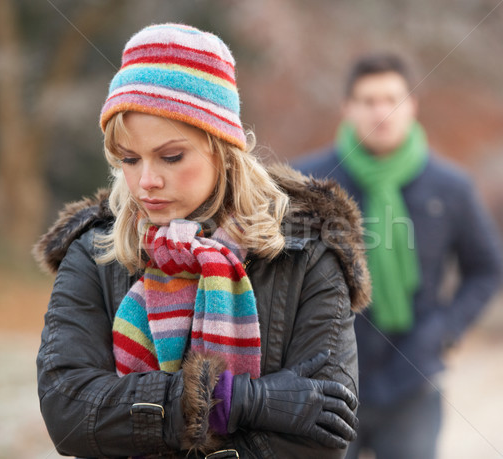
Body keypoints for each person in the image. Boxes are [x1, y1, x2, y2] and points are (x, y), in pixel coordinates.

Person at [34, 24, 372, 459]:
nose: (146, 182)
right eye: (129, 160)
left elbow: (323, 433)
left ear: (223, 148)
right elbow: (69, 413)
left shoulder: (309, 254)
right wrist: (245, 400)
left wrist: (147, 417)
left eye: (171, 156)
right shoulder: (92, 251)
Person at [294, 53, 503, 459]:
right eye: (368, 100)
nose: (381, 110)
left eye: (392, 98)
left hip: (414, 380)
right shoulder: (310, 181)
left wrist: (445, 329)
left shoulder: (451, 186)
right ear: (347, 108)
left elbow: (488, 269)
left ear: (412, 106)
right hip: (326, 382)